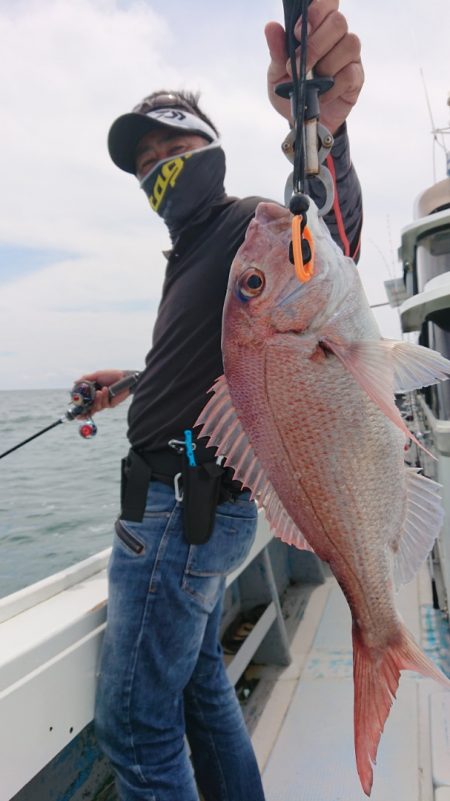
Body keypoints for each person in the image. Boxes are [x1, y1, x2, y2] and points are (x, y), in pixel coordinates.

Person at [81, 3, 364, 799]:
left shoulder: (246, 228)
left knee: (137, 730)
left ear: (211, 148)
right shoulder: (193, 251)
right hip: (201, 508)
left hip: (177, 514)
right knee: (203, 684)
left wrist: (324, 138)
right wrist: (129, 382)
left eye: (176, 145)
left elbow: (320, 236)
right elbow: (207, 366)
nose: (160, 166)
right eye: (147, 161)